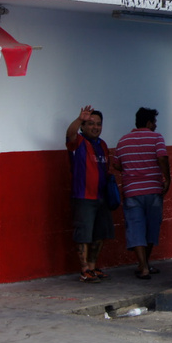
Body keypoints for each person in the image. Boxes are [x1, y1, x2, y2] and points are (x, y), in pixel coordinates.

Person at [113, 107, 171, 280]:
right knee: (152, 227)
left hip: (131, 191)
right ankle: (145, 263)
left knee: (136, 227)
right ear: (148, 122)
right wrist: (167, 178)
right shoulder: (156, 138)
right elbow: (162, 157)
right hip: (153, 189)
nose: (155, 126)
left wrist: (132, 169)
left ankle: (143, 266)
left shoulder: (123, 141)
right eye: (154, 123)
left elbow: (117, 164)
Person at [66, 105, 115, 283]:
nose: (95, 127)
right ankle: (84, 270)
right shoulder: (77, 142)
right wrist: (79, 118)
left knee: (100, 234)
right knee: (84, 235)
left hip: (101, 197)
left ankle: (93, 267)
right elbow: (69, 134)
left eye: (99, 124)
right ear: (83, 126)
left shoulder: (102, 145)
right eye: (91, 123)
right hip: (83, 197)